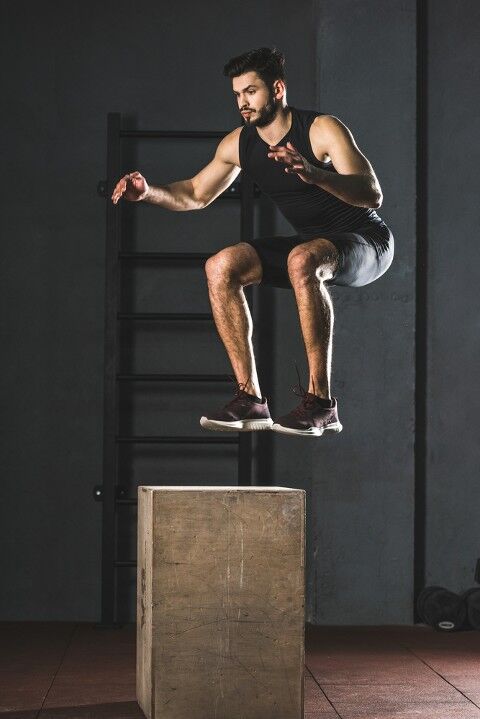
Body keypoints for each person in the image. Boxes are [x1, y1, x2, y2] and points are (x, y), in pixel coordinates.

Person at [111, 47, 394, 437]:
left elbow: (371, 194)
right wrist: (148, 194)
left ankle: (322, 404)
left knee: (302, 258)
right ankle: (250, 400)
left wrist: (315, 174)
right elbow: (195, 193)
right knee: (221, 265)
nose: (244, 103)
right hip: (311, 247)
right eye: (238, 95)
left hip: (367, 242)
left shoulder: (321, 129)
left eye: (252, 91)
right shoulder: (239, 144)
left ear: (277, 89)